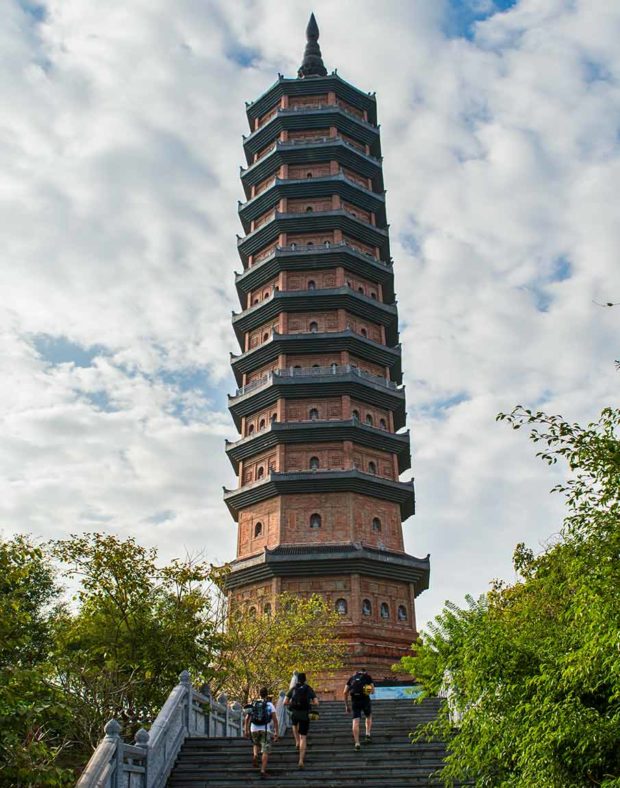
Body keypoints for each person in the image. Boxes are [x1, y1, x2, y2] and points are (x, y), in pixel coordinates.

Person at [284, 672, 319, 769]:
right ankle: (300, 760)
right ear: (305, 680)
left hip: (295, 713)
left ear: (297, 680)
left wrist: (292, 704)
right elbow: (316, 702)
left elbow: (284, 702)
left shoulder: (293, 689)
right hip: (305, 714)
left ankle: (296, 741)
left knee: (294, 725)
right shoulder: (308, 688)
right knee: (303, 737)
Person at [244, 686, 279, 779]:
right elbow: (275, 720)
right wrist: (276, 733)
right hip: (265, 729)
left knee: (256, 744)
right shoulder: (269, 705)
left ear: (259, 694)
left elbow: (247, 718)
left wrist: (246, 730)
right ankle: (263, 771)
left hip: (253, 728)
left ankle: (255, 755)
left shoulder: (253, 703)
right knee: (265, 750)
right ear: (267, 694)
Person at [343, 668, 374, 751]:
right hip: (365, 700)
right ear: (365, 672)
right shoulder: (367, 677)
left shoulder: (352, 678)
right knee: (368, 716)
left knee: (355, 721)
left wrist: (346, 705)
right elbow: (373, 691)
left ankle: (357, 743)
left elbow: (345, 692)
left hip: (355, 701)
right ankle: (367, 734)